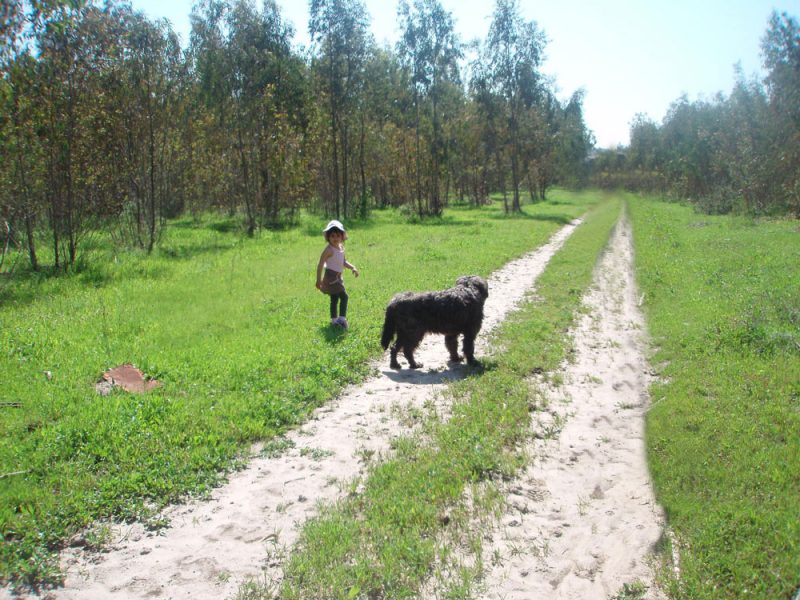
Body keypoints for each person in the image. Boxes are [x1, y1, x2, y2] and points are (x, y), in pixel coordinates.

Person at [316, 220, 359, 328]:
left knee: (334, 298)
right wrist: (318, 279)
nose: (335, 238)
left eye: (338, 236)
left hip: (337, 277)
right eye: (332, 236)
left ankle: (334, 321)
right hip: (331, 277)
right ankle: (342, 319)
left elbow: (343, 262)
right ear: (328, 237)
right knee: (344, 297)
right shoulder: (329, 250)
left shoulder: (340, 248)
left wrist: (352, 267)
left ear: (342, 237)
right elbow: (320, 264)